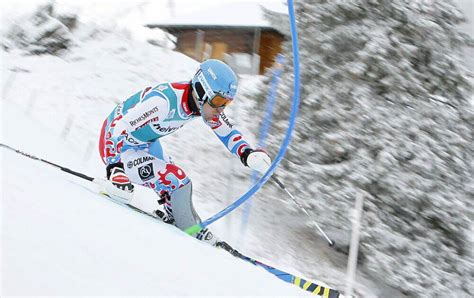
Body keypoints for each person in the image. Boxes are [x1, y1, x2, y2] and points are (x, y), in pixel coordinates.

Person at [98, 59, 271, 246]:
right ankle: (192, 230)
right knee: (177, 180)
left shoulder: (203, 106)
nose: (221, 109)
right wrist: (115, 168)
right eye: (219, 101)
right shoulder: (163, 102)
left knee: (173, 180)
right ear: (201, 90)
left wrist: (247, 153)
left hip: (144, 144)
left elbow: (227, 132)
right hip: (117, 147)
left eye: (226, 103)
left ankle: (180, 217)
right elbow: (118, 126)